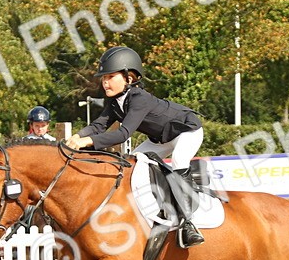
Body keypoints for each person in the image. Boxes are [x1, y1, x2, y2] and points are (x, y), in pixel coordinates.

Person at [67, 45, 206, 248]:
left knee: (179, 160)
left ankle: (188, 224)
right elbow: (98, 125)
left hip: (186, 131)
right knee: (129, 165)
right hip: (160, 139)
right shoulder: (115, 102)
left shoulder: (139, 99)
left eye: (110, 77)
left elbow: (123, 134)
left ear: (129, 78)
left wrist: (86, 142)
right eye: (103, 78)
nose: (105, 82)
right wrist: (76, 137)